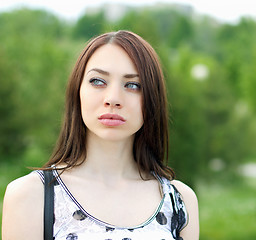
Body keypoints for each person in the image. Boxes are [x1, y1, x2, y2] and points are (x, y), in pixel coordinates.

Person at [2, 30, 199, 240]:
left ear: (152, 99)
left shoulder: (179, 201)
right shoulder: (32, 196)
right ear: (77, 91)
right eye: (97, 81)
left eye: (133, 85)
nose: (113, 98)